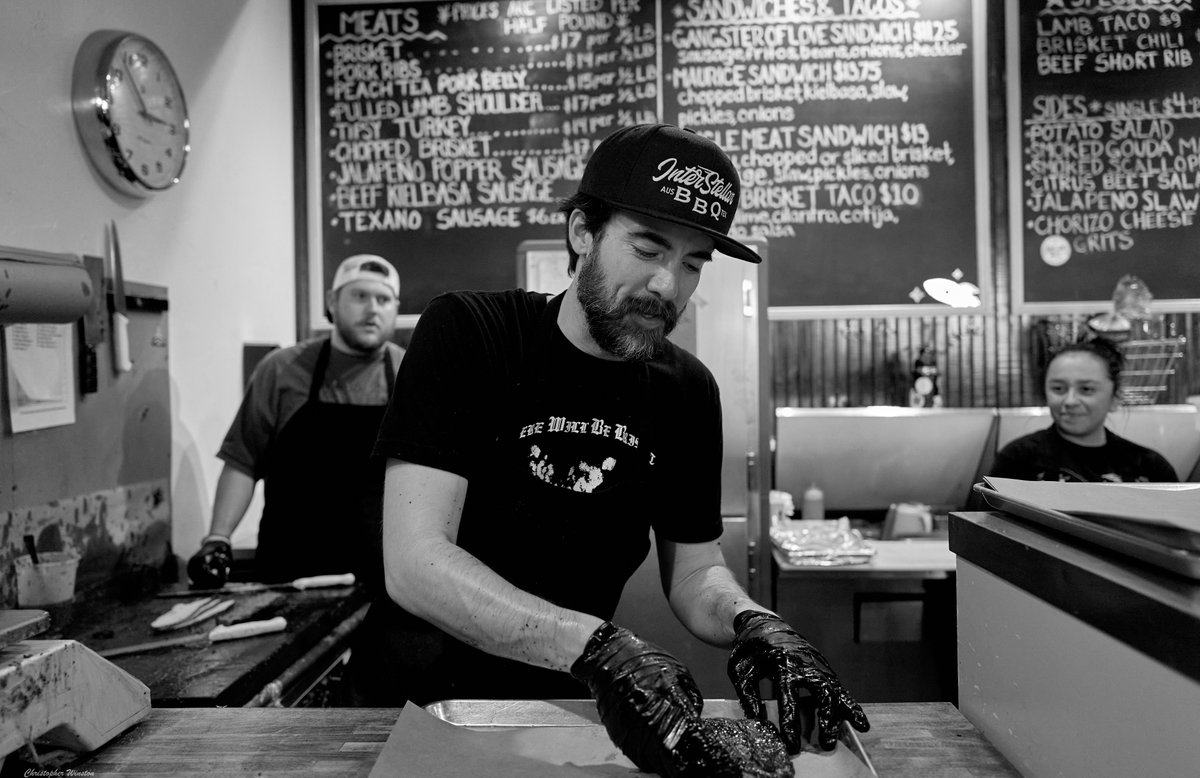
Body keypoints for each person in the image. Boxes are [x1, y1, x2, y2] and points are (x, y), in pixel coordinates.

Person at [347, 124, 868, 771]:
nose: (667, 285)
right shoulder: (472, 334)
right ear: (581, 233)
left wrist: (755, 625)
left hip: (566, 715)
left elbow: (695, 572)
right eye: (648, 248)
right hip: (415, 709)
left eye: (692, 262)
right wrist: (597, 647)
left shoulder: (686, 392)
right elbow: (415, 560)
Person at [187, 254, 405, 590]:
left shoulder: (413, 374)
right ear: (332, 302)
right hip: (289, 571)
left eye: (383, 299)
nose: (372, 309)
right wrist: (218, 539)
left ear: (395, 307)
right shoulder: (281, 369)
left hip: (383, 578)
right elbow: (243, 461)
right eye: (359, 296)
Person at [989, 338, 1177, 483]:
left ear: (1115, 397)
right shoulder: (1018, 460)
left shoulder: (1149, 467)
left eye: (1086, 389)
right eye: (1058, 389)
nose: (1070, 401)